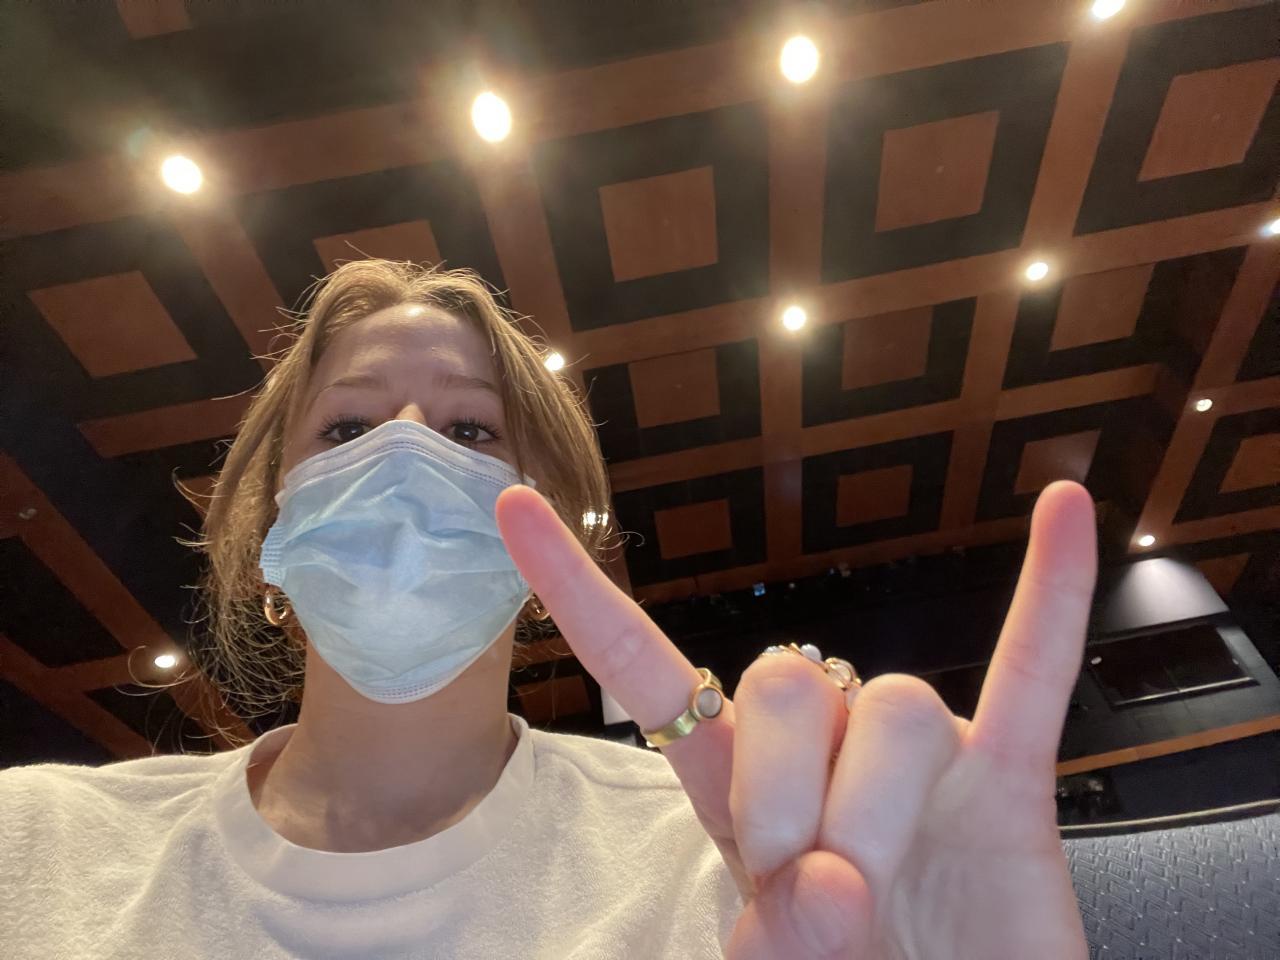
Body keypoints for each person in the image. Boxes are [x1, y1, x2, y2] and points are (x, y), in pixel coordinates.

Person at [0, 260, 1095, 959]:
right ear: (269, 525)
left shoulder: (732, 860)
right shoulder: (35, 843)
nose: (406, 453)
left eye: (471, 431)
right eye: (347, 430)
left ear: (552, 539)